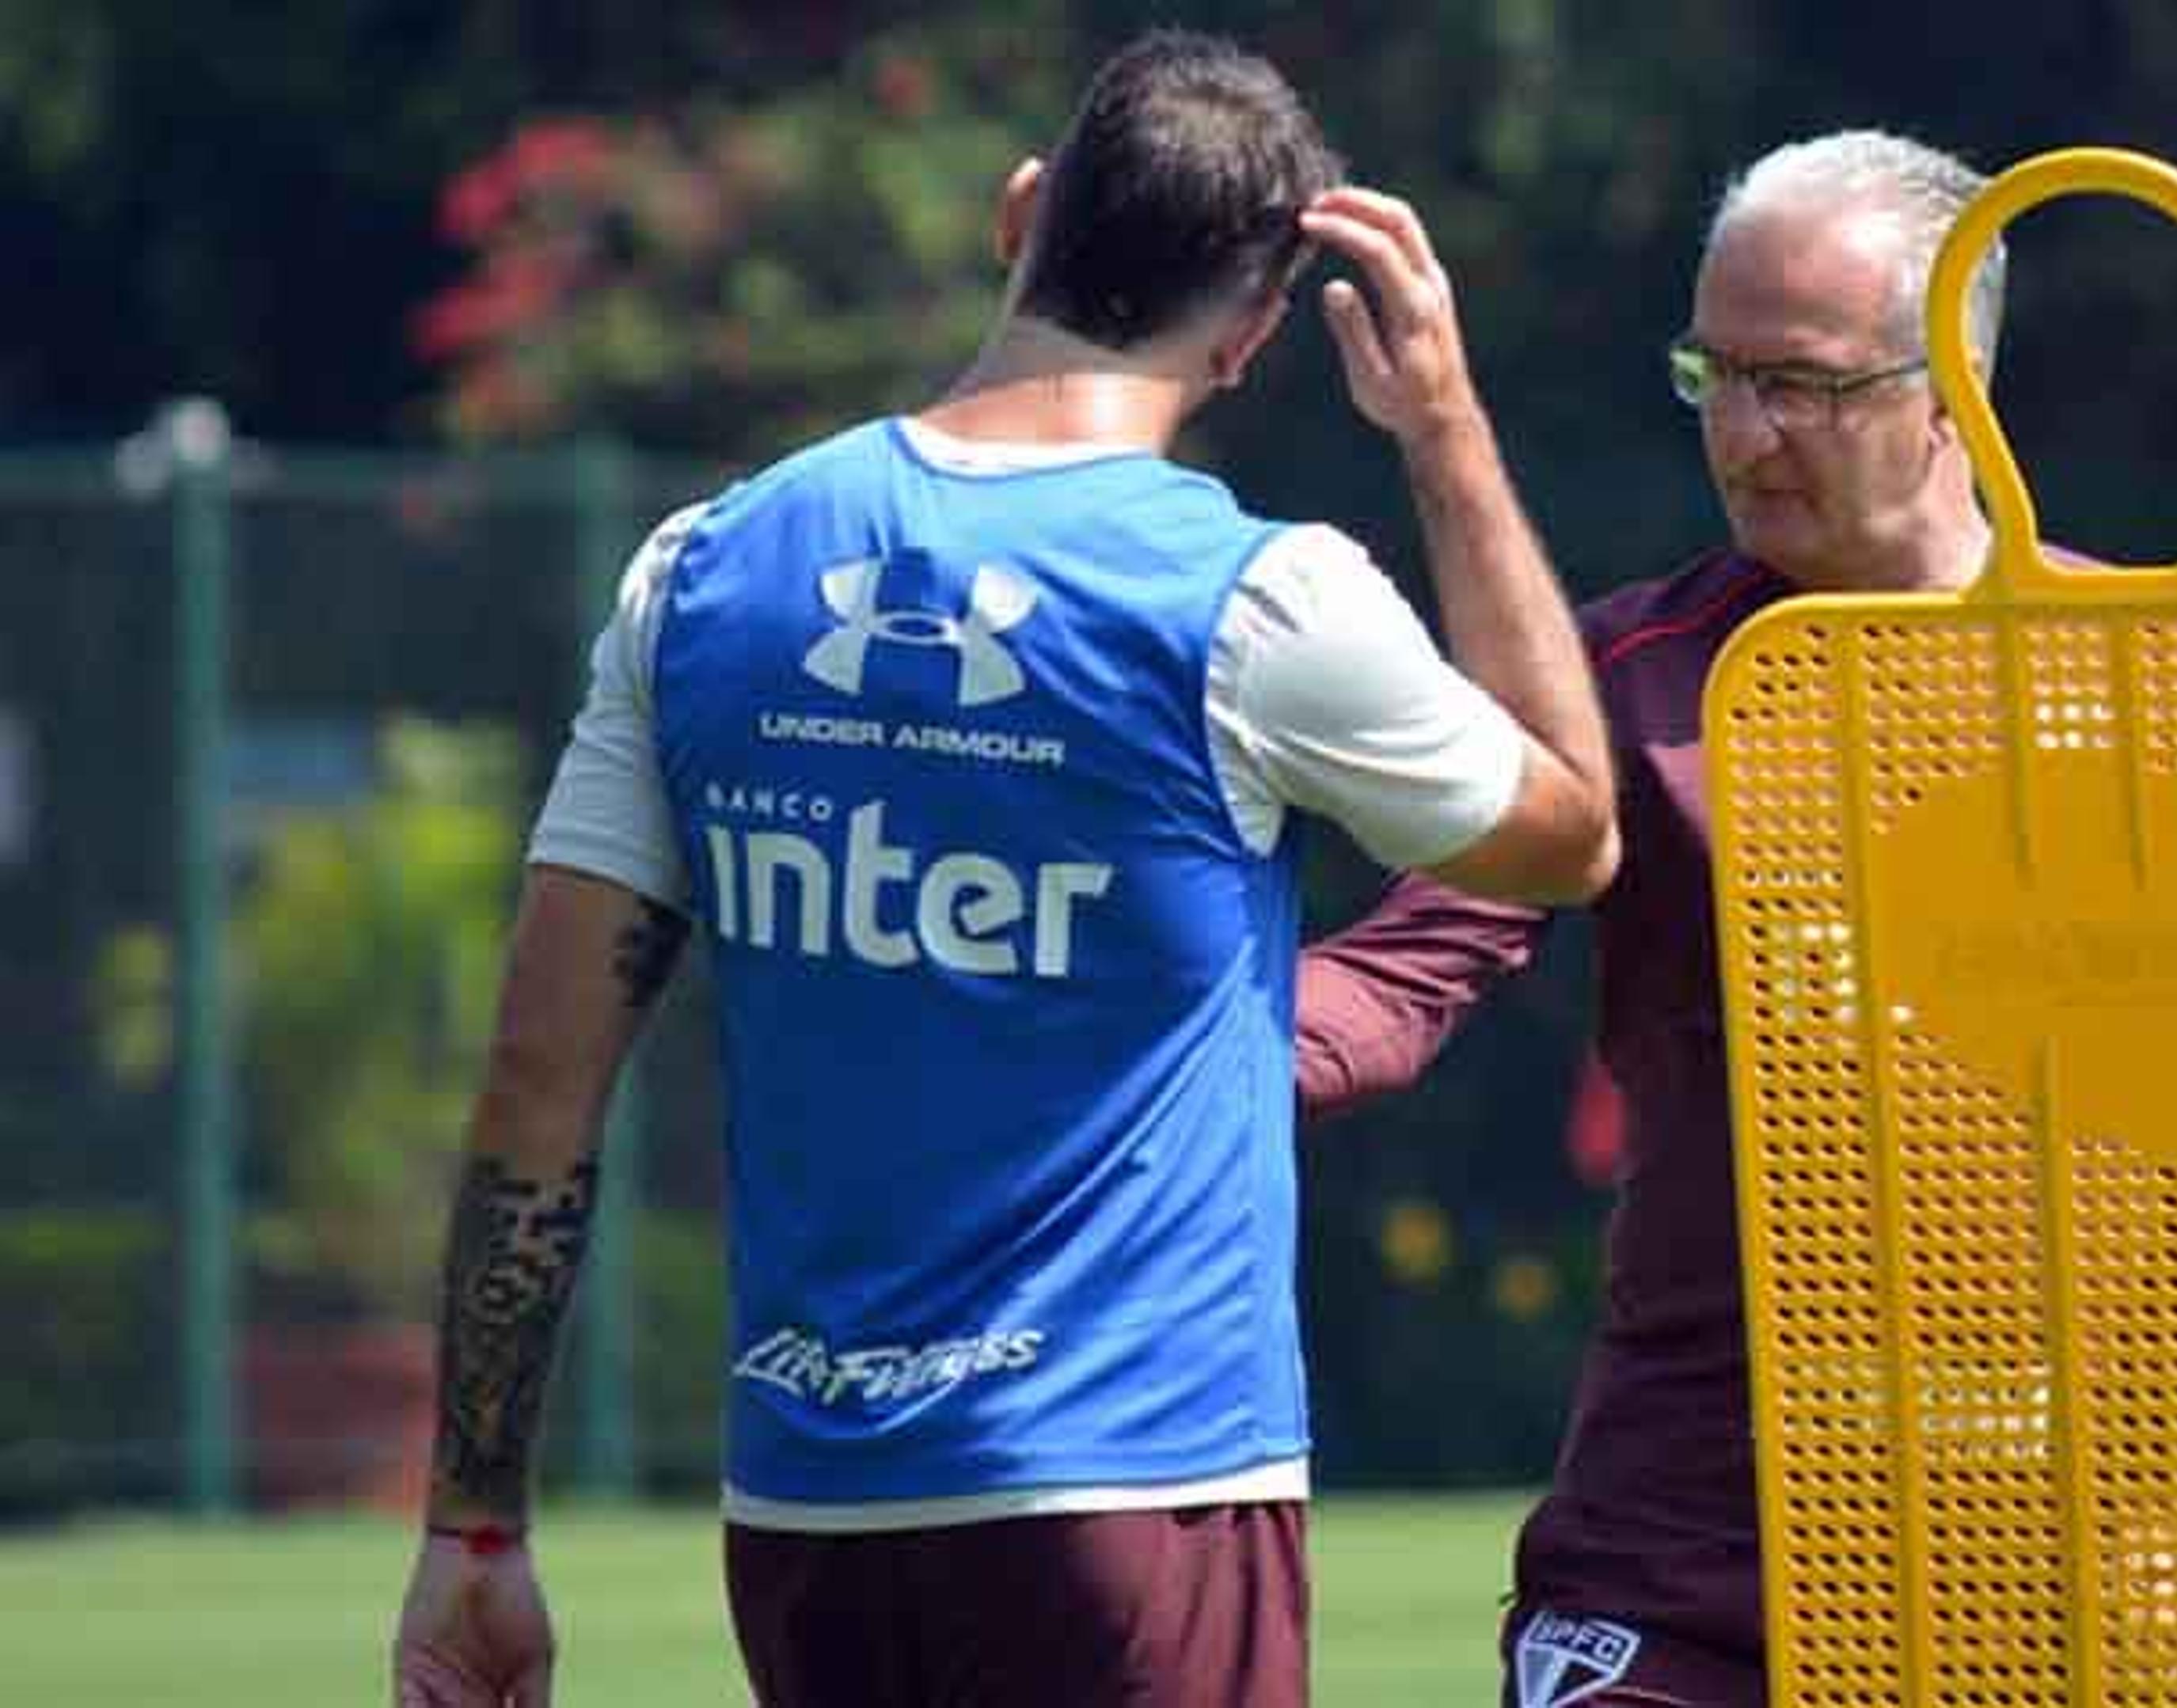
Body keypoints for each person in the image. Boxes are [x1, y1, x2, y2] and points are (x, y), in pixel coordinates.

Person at [389, 28, 1618, 1708]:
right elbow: (1573, 828)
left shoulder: (698, 573)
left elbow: (538, 1082)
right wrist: (1447, 435)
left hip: (811, 1510)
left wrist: (473, 1524)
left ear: (1022, 212)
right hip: (1138, 1495)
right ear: (1259, 328)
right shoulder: (1254, 598)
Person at [1296, 129, 2008, 1708]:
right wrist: (1121, 1057)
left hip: (2055, 1543)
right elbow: (1394, 984)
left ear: (1955, 373)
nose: (1747, 434)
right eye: (1717, 373)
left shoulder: (2161, 685)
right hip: (1688, 1553)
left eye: (1805, 384)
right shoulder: (1627, 680)